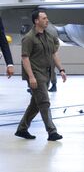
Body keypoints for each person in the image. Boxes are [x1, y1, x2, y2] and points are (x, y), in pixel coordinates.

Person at [15, 10, 67, 141]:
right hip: (36, 74)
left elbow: (54, 54)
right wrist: (31, 77)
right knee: (44, 102)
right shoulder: (29, 38)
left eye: (47, 18)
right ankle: (52, 132)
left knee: (35, 104)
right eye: (44, 18)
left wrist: (61, 69)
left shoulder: (48, 36)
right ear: (36, 21)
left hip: (47, 74)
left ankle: (22, 129)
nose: (47, 20)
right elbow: (25, 58)